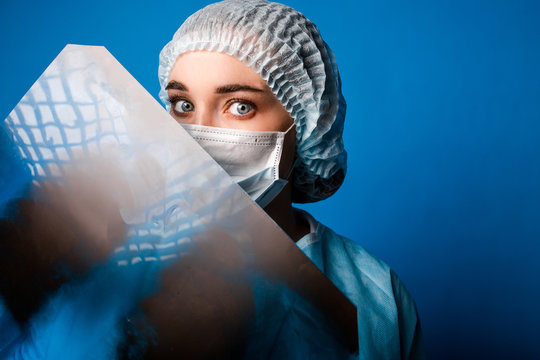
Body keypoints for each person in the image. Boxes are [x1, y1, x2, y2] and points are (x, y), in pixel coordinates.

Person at [158, 0, 426, 359]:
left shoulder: (376, 295)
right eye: (183, 105)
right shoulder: (106, 268)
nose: (199, 134)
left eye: (240, 106)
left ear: (307, 122)